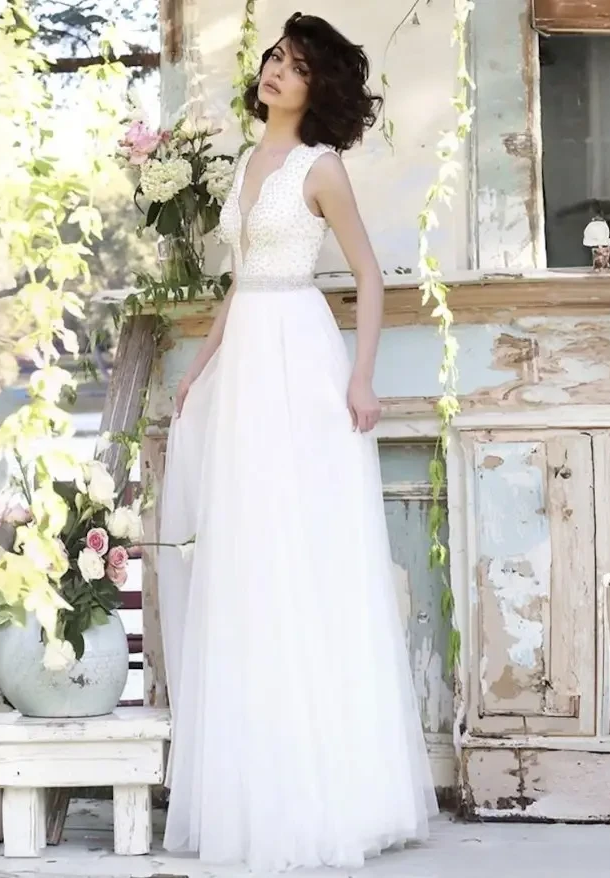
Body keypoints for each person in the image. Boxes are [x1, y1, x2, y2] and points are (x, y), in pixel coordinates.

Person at [154, 12, 436, 873]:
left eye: (297, 64)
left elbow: (368, 275)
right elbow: (241, 287)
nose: (277, 69)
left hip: (302, 361)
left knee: (305, 555)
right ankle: (254, 782)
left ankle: (331, 792)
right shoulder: (248, 162)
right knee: (246, 556)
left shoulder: (321, 168)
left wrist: (362, 377)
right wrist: (200, 368)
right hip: (246, 358)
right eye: (275, 56)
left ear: (319, 89)